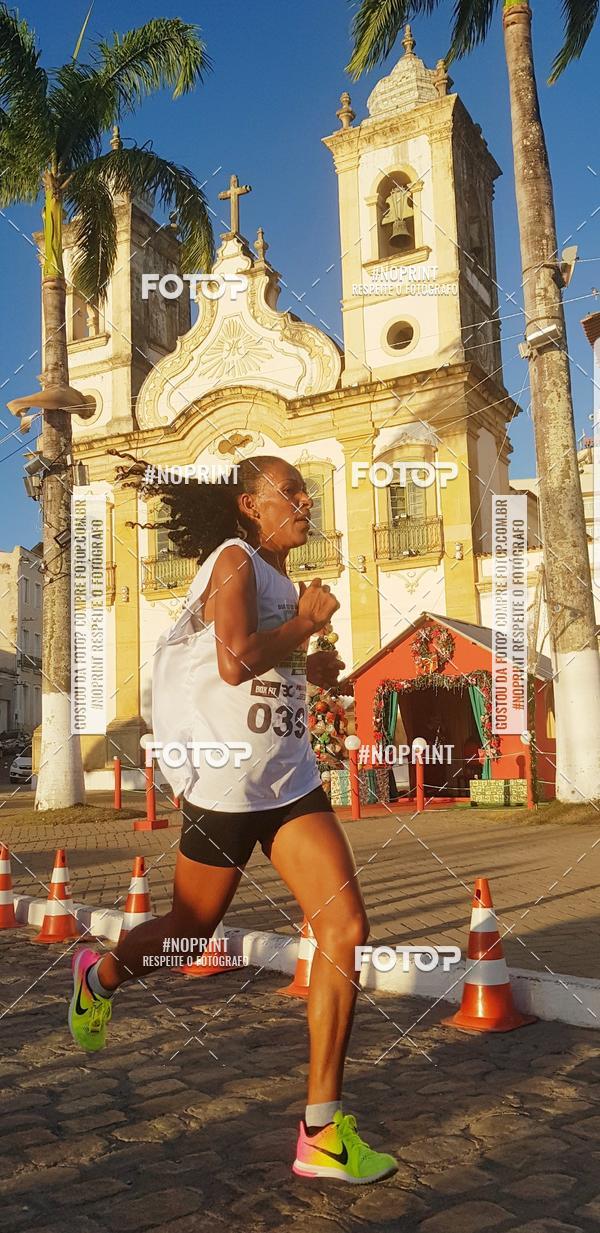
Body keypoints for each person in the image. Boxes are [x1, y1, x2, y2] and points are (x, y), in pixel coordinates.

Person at [68, 455, 397, 1185]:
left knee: (344, 928)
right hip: (223, 783)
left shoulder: (280, 578)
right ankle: (103, 971)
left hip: (288, 780)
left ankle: (321, 1132)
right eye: (292, 492)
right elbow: (231, 660)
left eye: (308, 492)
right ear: (251, 504)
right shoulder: (232, 560)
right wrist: (305, 623)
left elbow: (267, 665)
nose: (306, 502)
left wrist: (308, 668)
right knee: (188, 933)